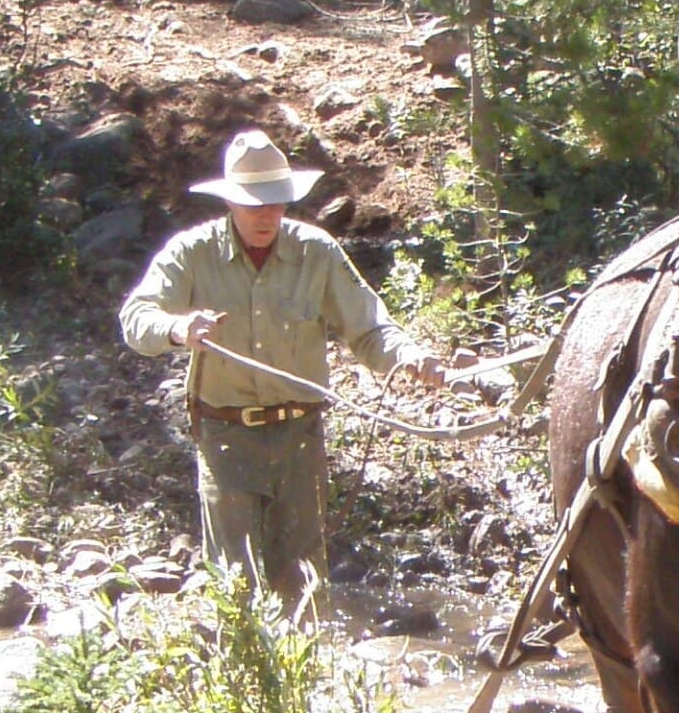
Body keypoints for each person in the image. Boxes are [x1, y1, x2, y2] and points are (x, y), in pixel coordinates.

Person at [121, 128, 460, 609]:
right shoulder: (192, 254)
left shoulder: (316, 252)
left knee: (303, 584)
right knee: (234, 585)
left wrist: (409, 357)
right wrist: (178, 329)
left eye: (277, 202)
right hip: (225, 436)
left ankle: (305, 680)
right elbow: (136, 318)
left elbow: (368, 329)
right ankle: (244, 677)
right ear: (231, 204)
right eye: (255, 204)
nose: (267, 214)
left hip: (300, 437)